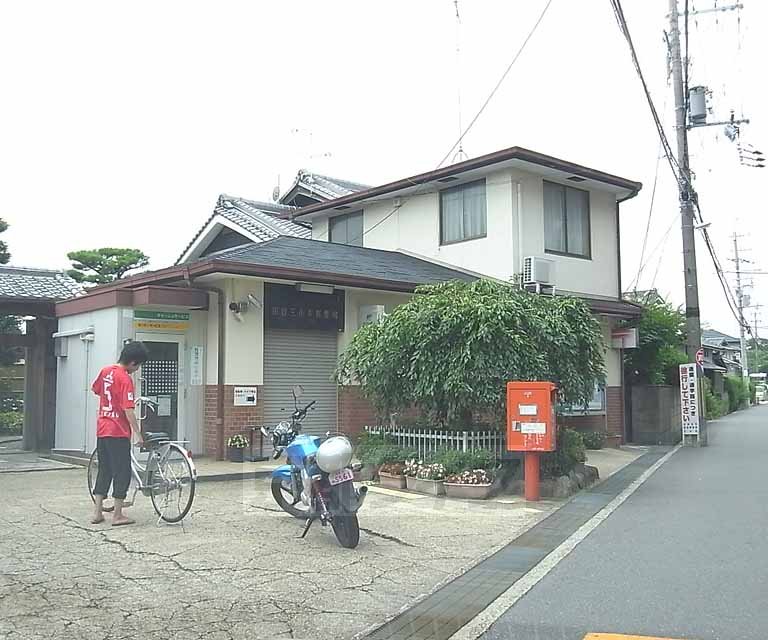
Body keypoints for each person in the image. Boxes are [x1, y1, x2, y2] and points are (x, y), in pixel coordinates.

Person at [90, 341, 149, 526]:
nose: (137, 369)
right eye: (138, 365)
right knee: (122, 471)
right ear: (132, 362)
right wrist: (138, 434)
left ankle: (97, 512)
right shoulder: (125, 379)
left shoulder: (106, 370)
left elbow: (96, 390)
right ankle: (117, 515)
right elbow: (128, 410)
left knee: (104, 469)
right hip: (118, 431)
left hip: (102, 428)